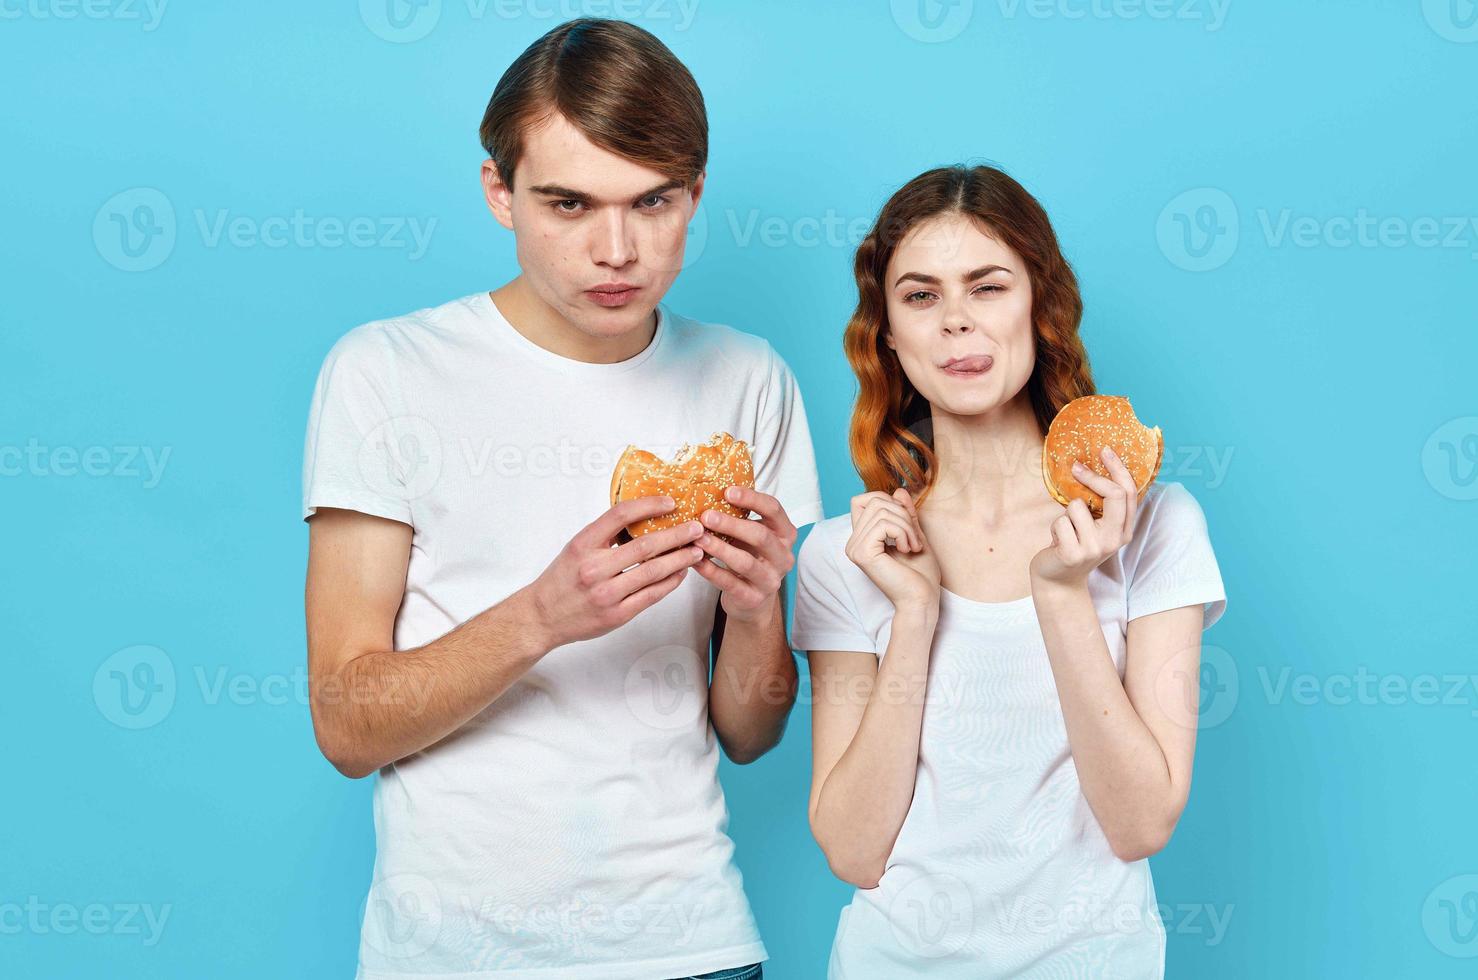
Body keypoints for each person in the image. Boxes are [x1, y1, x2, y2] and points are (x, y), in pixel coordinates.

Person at [300, 19, 820, 980]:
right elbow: (345, 723)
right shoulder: (386, 373)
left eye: (652, 203)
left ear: (695, 193)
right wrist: (543, 615)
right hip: (451, 956)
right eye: (569, 204)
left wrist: (754, 615)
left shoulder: (750, 381)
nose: (615, 249)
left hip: (691, 945)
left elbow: (752, 734)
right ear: (500, 192)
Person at [792, 164, 1227, 978]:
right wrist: (914, 619)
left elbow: (1139, 825)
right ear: (887, 331)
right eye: (920, 296)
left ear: (1040, 303)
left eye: (987, 287)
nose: (956, 323)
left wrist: (1061, 590)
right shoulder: (845, 556)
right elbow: (853, 850)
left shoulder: (1155, 526)